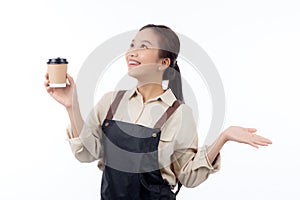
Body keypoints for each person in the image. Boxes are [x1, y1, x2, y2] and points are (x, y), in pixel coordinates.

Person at [44, 24, 272, 200]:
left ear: (163, 62)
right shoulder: (111, 102)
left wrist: (223, 137)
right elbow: (86, 153)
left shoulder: (179, 114)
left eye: (143, 47)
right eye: (132, 45)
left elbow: (188, 177)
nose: (131, 52)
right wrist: (70, 105)